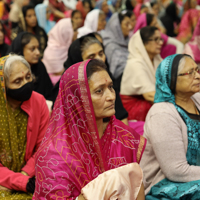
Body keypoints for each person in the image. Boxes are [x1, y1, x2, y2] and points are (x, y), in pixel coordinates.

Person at [33, 59, 146, 200]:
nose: (111, 97)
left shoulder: (123, 136)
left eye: (111, 87)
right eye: (99, 91)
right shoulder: (54, 155)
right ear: (78, 98)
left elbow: (136, 189)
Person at [140, 54, 200, 199]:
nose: (197, 76)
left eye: (197, 70)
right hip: (166, 184)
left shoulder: (196, 99)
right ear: (171, 79)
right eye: (189, 73)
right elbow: (176, 171)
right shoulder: (161, 113)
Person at [0, 54, 49, 199]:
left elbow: (43, 147)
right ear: (3, 86)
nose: (26, 84)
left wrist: (25, 176)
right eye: (17, 81)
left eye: (28, 77)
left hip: (32, 176)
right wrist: (20, 181)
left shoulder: (38, 101)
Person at [53, 33, 129, 124]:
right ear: (78, 61)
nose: (99, 60)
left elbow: (121, 116)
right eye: (91, 57)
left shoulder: (107, 78)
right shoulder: (67, 91)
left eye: (101, 54)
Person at [120, 26, 163, 121]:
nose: (160, 43)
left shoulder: (156, 59)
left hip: (148, 100)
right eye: (156, 39)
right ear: (143, 43)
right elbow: (150, 95)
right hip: (134, 107)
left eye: (161, 39)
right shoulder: (135, 63)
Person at [7, 32, 53, 100]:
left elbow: (50, 93)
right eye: (32, 49)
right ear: (20, 50)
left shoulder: (39, 66)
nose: (38, 53)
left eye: (38, 48)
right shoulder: (9, 70)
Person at [102, 12, 132, 91]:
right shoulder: (110, 46)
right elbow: (119, 71)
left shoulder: (126, 41)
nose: (130, 27)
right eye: (126, 24)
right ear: (117, 26)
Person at [42, 18, 76, 86]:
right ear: (65, 32)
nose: (75, 33)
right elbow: (60, 73)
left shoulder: (66, 47)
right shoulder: (52, 51)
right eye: (73, 30)